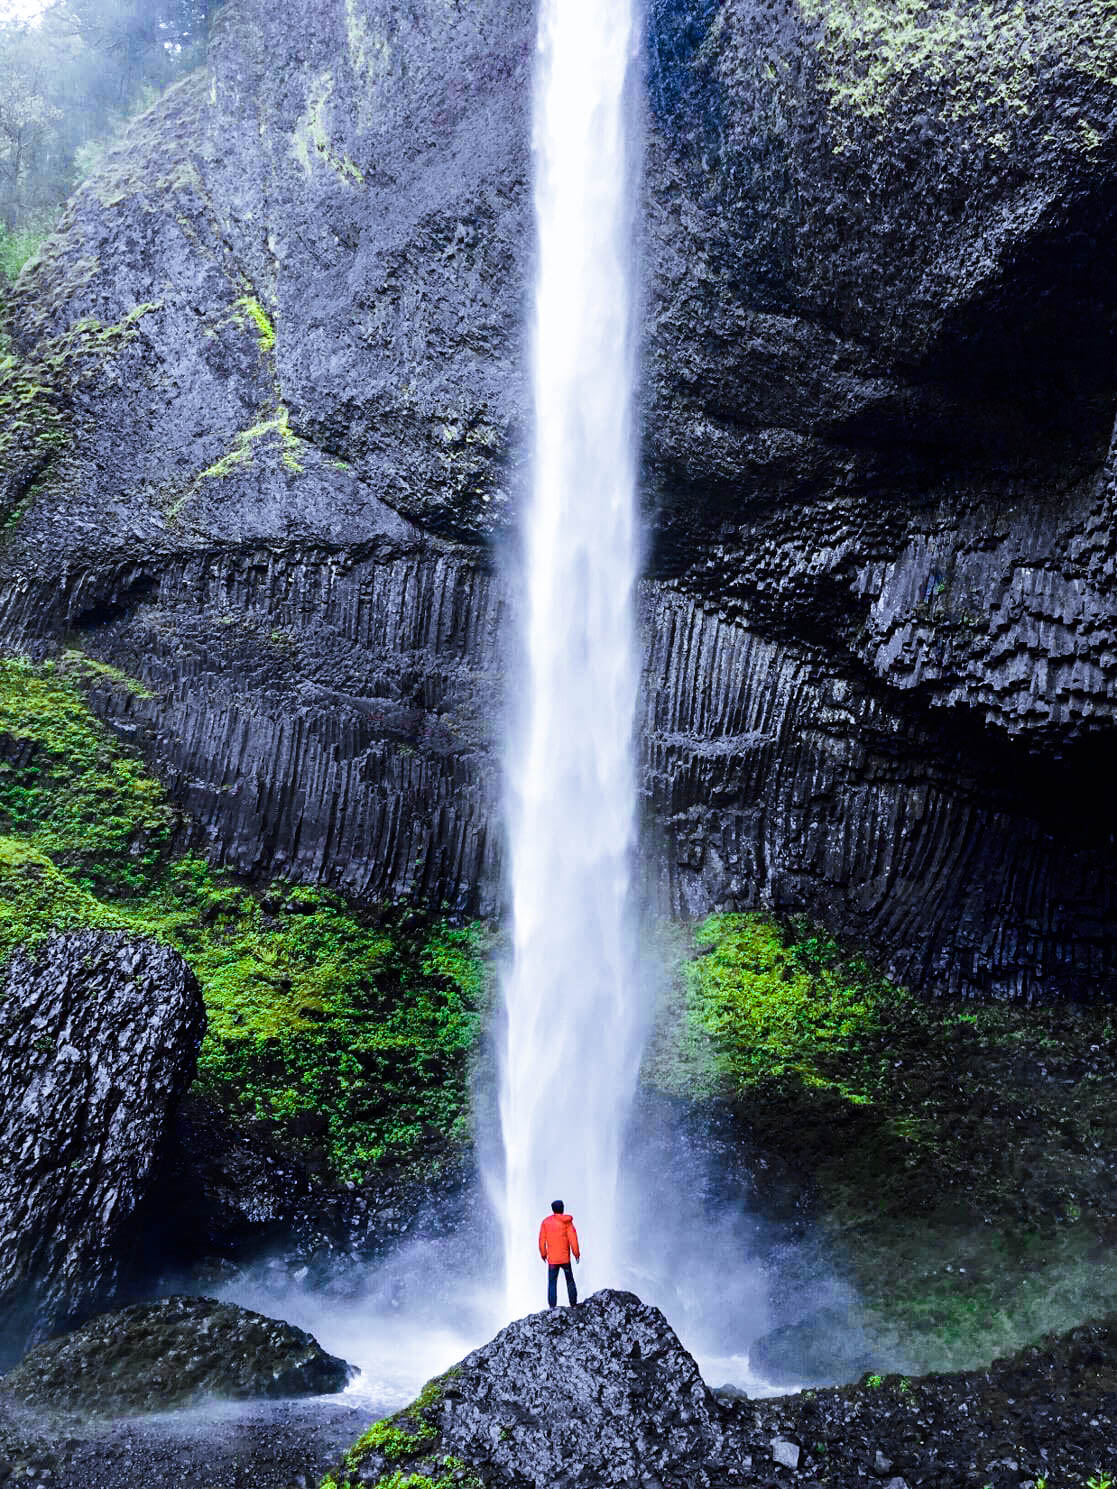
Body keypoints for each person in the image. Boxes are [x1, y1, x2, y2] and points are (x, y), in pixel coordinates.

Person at [538, 1199, 580, 1308]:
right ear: (562, 1208)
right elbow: (573, 1239)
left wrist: (543, 1254)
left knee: (552, 1283)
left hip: (552, 1260)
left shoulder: (545, 1222)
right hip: (565, 1259)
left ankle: (552, 1307)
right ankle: (573, 1304)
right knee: (570, 1280)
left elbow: (542, 1240)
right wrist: (576, 1254)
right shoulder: (567, 1222)